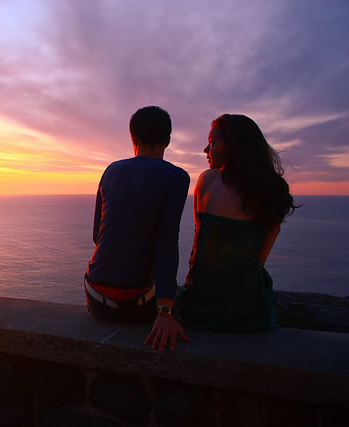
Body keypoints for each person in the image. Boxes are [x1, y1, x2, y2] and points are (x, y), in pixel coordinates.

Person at [175, 114, 298, 331]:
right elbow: (260, 259)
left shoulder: (206, 180)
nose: (205, 150)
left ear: (233, 146)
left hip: (200, 306)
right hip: (249, 310)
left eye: (212, 143)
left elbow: (199, 250)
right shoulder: (272, 190)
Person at [86, 106, 190, 352]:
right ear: (167, 140)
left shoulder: (111, 170)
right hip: (137, 305)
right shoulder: (177, 177)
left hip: (95, 296)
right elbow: (167, 245)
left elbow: (96, 236)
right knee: (190, 299)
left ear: (133, 137)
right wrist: (165, 312)